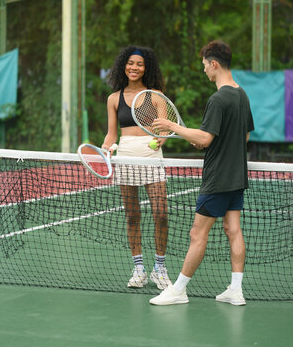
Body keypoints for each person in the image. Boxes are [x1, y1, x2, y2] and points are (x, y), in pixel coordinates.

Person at [149, 40, 254, 306]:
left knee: (198, 234)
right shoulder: (241, 94)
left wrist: (172, 125)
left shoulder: (218, 99)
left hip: (217, 178)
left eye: (205, 65)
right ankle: (236, 290)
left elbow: (206, 139)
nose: (204, 70)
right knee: (234, 230)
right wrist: (204, 140)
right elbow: (244, 136)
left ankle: (179, 290)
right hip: (237, 176)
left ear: (214, 64)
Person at [101, 45, 171, 290]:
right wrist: (106, 147)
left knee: (161, 214)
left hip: (151, 155)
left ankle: (159, 268)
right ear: (124, 65)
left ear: (146, 68)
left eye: (139, 64)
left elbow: (165, 130)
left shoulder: (155, 95)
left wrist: (161, 138)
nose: (134, 67)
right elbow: (111, 135)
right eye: (130, 63)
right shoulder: (113, 98)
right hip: (126, 155)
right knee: (132, 215)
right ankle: (139, 268)